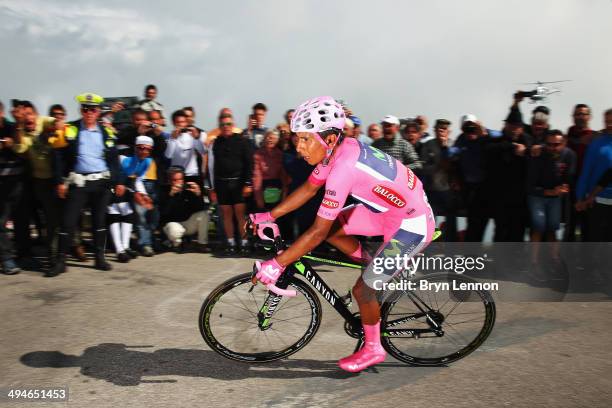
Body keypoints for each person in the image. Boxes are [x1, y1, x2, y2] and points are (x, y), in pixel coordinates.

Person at [249, 96, 435, 373]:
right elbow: (309, 189)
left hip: (411, 225)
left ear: (330, 138)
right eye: (297, 139)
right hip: (388, 212)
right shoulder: (337, 150)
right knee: (335, 230)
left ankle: (374, 348)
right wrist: (270, 215)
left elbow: (315, 232)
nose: (299, 148)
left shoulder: (343, 168)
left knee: (363, 289)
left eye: (305, 140)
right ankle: (372, 265)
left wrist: (277, 264)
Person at [48, 93, 125, 277]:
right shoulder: (71, 129)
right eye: (85, 108)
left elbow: (114, 160)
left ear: (98, 111)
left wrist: (119, 181)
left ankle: (99, 258)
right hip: (78, 183)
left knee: (99, 222)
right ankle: (61, 262)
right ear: (80, 110)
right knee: (68, 222)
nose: (89, 112)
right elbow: (57, 156)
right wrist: (60, 181)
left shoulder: (107, 131)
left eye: (92, 109)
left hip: (101, 183)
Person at [208, 113, 254, 255]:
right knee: (226, 215)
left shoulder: (242, 141)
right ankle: (231, 243)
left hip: (238, 184)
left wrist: (247, 183)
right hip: (221, 184)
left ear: (233, 125)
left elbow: (249, 163)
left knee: (240, 215)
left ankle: (245, 243)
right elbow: (212, 167)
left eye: (228, 124)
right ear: (219, 127)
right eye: (223, 125)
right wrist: (212, 188)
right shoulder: (216, 143)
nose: (226, 127)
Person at [107, 136, 155, 262]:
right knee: (115, 213)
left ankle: (125, 247)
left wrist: (144, 194)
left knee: (128, 214)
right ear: (135, 148)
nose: (144, 152)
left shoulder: (147, 161)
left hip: (125, 185)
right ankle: (119, 250)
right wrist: (121, 185)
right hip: (112, 183)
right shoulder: (123, 157)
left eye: (147, 149)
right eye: (141, 148)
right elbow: (114, 172)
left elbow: (138, 179)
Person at [575, 109, 612, 242]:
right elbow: (586, 171)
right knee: (596, 240)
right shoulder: (596, 143)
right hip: (596, 200)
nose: (610, 125)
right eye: (607, 121)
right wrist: (580, 197)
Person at [419, 119, 457, 241]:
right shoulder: (428, 145)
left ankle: (451, 248)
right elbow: (422, 167)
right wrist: (437, 165)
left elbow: (456, 167)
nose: (441, 131)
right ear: (434, 130)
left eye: (444, 128)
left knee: (451, 221)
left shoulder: (453, 145)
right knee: (429, 222)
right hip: (431, 190)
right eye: (439, 128)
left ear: (449, 131)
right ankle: (428, 248)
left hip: (448, 191)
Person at [160, 167, 209, 253]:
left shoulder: (188, 189)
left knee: (204, 214)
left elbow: (199, 208)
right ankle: (177, 244)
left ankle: (202, 244)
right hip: (172, 224)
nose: (178, 182)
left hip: (188, 223)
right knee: (174, 230)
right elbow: (164, 214)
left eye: (180, 179)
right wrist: (171, 195)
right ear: (169, 180)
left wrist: (198, 195)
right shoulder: (164, 191)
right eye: (174, 180)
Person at [0, 100, 23, 274]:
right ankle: (7, 260)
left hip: (17, 182)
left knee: (22, 219)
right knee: (1, 222)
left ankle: (23, 254)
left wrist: (19, 123)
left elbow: (20, 145)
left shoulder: (10, 127)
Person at [165, 110, 206, 186]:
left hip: (192, 174)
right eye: (178, 122)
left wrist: (197, 138)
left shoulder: (192, 135)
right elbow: (168, 155)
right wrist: (173, 139)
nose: (181, 124)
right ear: (174, 123)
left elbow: (202, 152)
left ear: (187, 122)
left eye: (183, 122)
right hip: (176, 176)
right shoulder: (171, 137)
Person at [253, 130, 288, 210]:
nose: (269, 139)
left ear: (277, 140)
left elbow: (283, 176)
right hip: (263, 189)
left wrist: (284, 194)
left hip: (278, 189)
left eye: (272, 138)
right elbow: (257, 177)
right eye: (267, 137)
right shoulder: (257, 154)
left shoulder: (281, 154)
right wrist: (259, 198)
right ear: (264, 139)